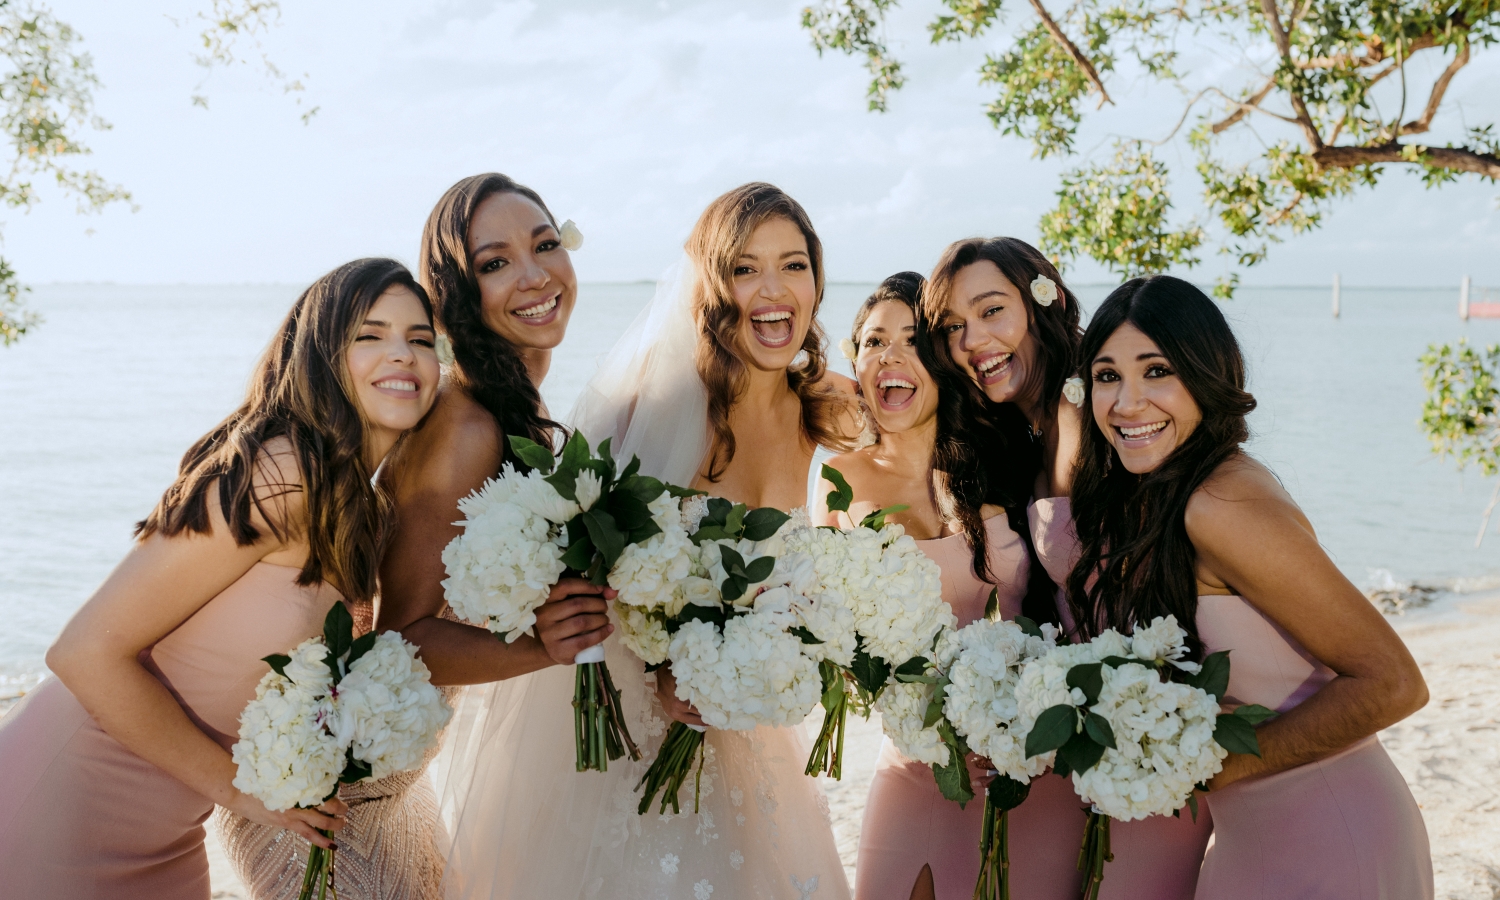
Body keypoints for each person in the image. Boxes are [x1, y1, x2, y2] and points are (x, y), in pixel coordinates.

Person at [439, 182, 856, 898]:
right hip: (634, 750)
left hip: (749, 739)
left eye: (794, 264)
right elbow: (586, 579)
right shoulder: (650, 408)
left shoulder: (823, 409)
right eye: (746, 267)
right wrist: (661, 670)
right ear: (712, 284)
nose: (774, 289)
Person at [213, 174, 610, 898]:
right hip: (333, 805)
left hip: (391, 791)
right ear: (457, 289)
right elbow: (398, 640)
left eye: (545, 244)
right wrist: (541, 647)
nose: (533, 274)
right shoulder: (466, 425)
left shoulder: (506, 405)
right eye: (495, 262)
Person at [0, 258, 439, 899]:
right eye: (368, 335)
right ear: (320, 354)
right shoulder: (282, 471)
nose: (401, 355)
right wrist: (245, 792)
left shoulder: (359, 507)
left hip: (169, 837)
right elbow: (84, 653)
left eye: (421, 339)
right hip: (67, 810)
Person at [1067, 274, 1433, 899]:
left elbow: (1394, 684)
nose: (1127, 403)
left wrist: (1203, 767)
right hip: (1251, 838)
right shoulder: (1177, 490)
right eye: (1107, 376)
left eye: (1157, 371)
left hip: (1329, 832)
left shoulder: (1219, 502)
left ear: (1207, 376)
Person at [922, 238, 1213, 897]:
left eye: (992, 310)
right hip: (1078, 737)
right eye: (953, 327)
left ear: (1041, 300)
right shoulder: (1015, 432)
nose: (973, 340)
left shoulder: (1108, 411)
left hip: (1148, 732)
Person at [818, 273, 1085, 900]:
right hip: (913, 759)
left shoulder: (1006, 461)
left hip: (1021, 755)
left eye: (912, 341)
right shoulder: (839, 478)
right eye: (873, 341)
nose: (890, 356)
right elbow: (825, 623)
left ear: (942, 361)